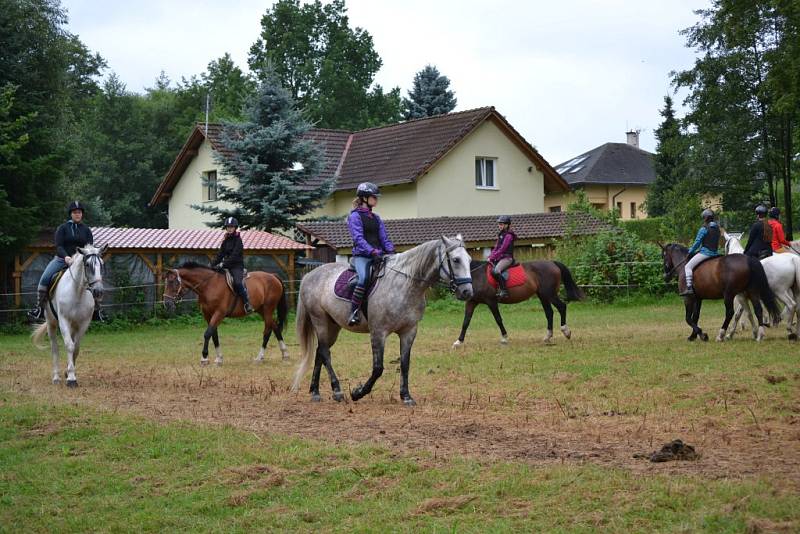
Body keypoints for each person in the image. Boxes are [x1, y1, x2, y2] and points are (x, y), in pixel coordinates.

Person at [29, 201, 97, 320]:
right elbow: (59, 246)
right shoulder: (62, 228)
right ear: (71, 214)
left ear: (82, 214)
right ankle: (39, 308)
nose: (77, 214)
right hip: (62, 260)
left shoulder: (86, 230)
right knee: (44, 278)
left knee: (95, 279)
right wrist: (66, 257)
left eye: (79, 212)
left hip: (81, 262)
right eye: (75, 212)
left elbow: (89, 248)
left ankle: (97, 310)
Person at [346, 182, 395, 326]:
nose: (376, 199)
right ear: (364, 198)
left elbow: (383, 238)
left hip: (379, 255)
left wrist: (391, 251)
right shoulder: (354, 217)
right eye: (374, 197)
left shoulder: (376, 218)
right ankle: (353, 312)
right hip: (362, 256)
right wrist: (372, 251)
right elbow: (358, 238)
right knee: (363, 279)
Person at [214, 217, 253, 314]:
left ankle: (247, 303)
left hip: (237, 266)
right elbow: (220, 254)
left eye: (231, 227)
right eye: (228, 227)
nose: (229, 228)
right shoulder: (225, 240)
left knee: (237, 283)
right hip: (226, 266)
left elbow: (234, 256)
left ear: (235, 228)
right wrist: (212, 264)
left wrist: (223, 264)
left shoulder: (238, 240)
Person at [680, 208, 721, 297]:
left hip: (706, 253)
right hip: (716, 253)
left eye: (704, 218)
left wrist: (690, 251)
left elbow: (697, 243)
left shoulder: (704, 228)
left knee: (688, 267)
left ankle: (689, 288)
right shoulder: (718, 228)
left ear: (706, 218)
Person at [488, 215, 516, 298]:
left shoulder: (509, 236)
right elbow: (496, 248)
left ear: (507, 225)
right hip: (500, 258)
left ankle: (504, 291)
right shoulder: (501, 235)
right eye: (499, 224)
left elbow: (502, 249)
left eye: (502, 224)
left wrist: (492, 257)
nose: (500, 226)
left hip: (507, 258)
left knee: (496, 271)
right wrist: (490, 256)